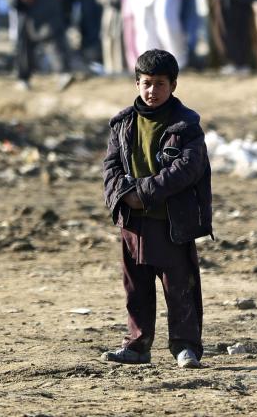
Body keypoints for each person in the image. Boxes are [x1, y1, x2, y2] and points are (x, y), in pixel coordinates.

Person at [100, 49, 212, 369]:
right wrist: (123, 197)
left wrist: (143, 194)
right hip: (133, 222)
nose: (152, 91)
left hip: (171, 222)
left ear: (173, 86)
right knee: (136, 287)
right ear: (137, 83)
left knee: (180, 288)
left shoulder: (186, 125)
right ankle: (137, 346)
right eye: (147, 83)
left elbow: (187, 169)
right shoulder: (122, 124)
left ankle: (185, 346)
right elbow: (110, 169)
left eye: (160, 84)